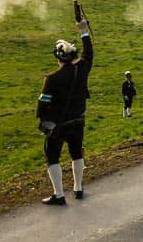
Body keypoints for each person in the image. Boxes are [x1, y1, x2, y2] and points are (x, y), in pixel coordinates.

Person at [37, 18, 93, 205]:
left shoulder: (52, 78)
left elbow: (43, 104)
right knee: (77, 153)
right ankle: (78, 188)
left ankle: (59, 194)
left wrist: (44, 121)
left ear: (58, 57)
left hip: (59, 124)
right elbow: (89, 53)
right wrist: (83, 31)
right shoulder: (82, 68)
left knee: (52, 156)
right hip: (78, 120)